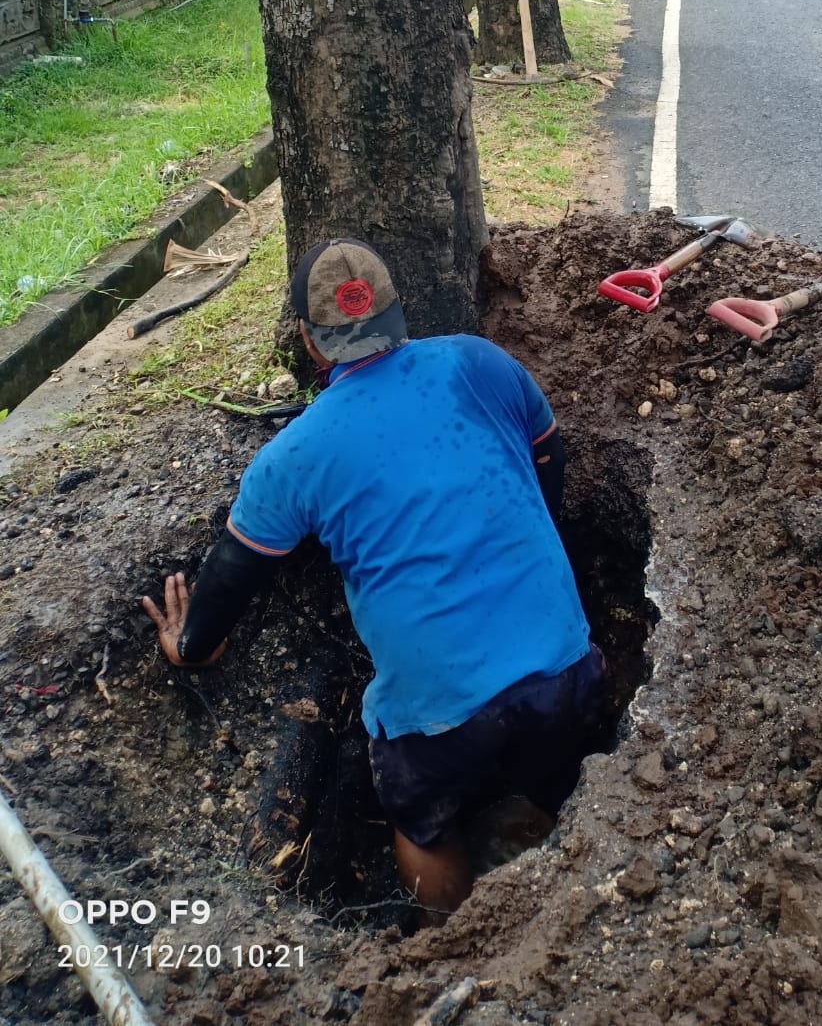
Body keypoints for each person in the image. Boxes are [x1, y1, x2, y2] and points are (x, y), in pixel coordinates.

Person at [142, 238, 604, 924]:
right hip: (566, 666)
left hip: (441, 719)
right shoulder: (480, 362)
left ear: (310, 341)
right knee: (570, 784)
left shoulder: (294, 455)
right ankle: (587, 909)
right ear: (396, 309)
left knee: (422, 820)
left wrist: (193, 643)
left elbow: (233, 574)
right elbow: (548, 457)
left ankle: (456, 944)